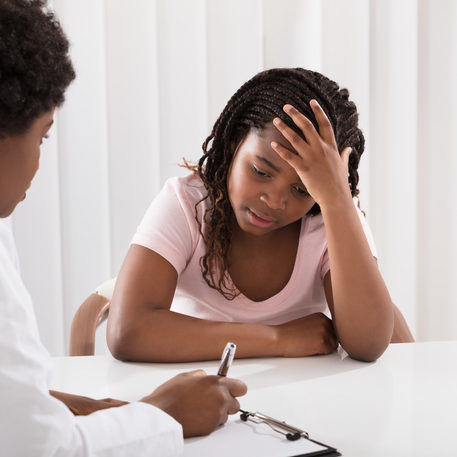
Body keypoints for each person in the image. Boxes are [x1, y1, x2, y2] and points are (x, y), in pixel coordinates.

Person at [0, 1, 247, 456]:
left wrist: (57, 406)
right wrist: (162, 414)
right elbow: (40, 448)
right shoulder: (183, 200)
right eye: (43, 135)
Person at [107, 67, 414, 365]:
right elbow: (128, 331)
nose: (274, 200)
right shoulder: (188, 204)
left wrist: (336, 201)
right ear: (234, 142)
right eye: (260, 171)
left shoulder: (332, 215)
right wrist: (277, 339)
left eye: (301, 189)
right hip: (199, 395)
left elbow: (368, 343)